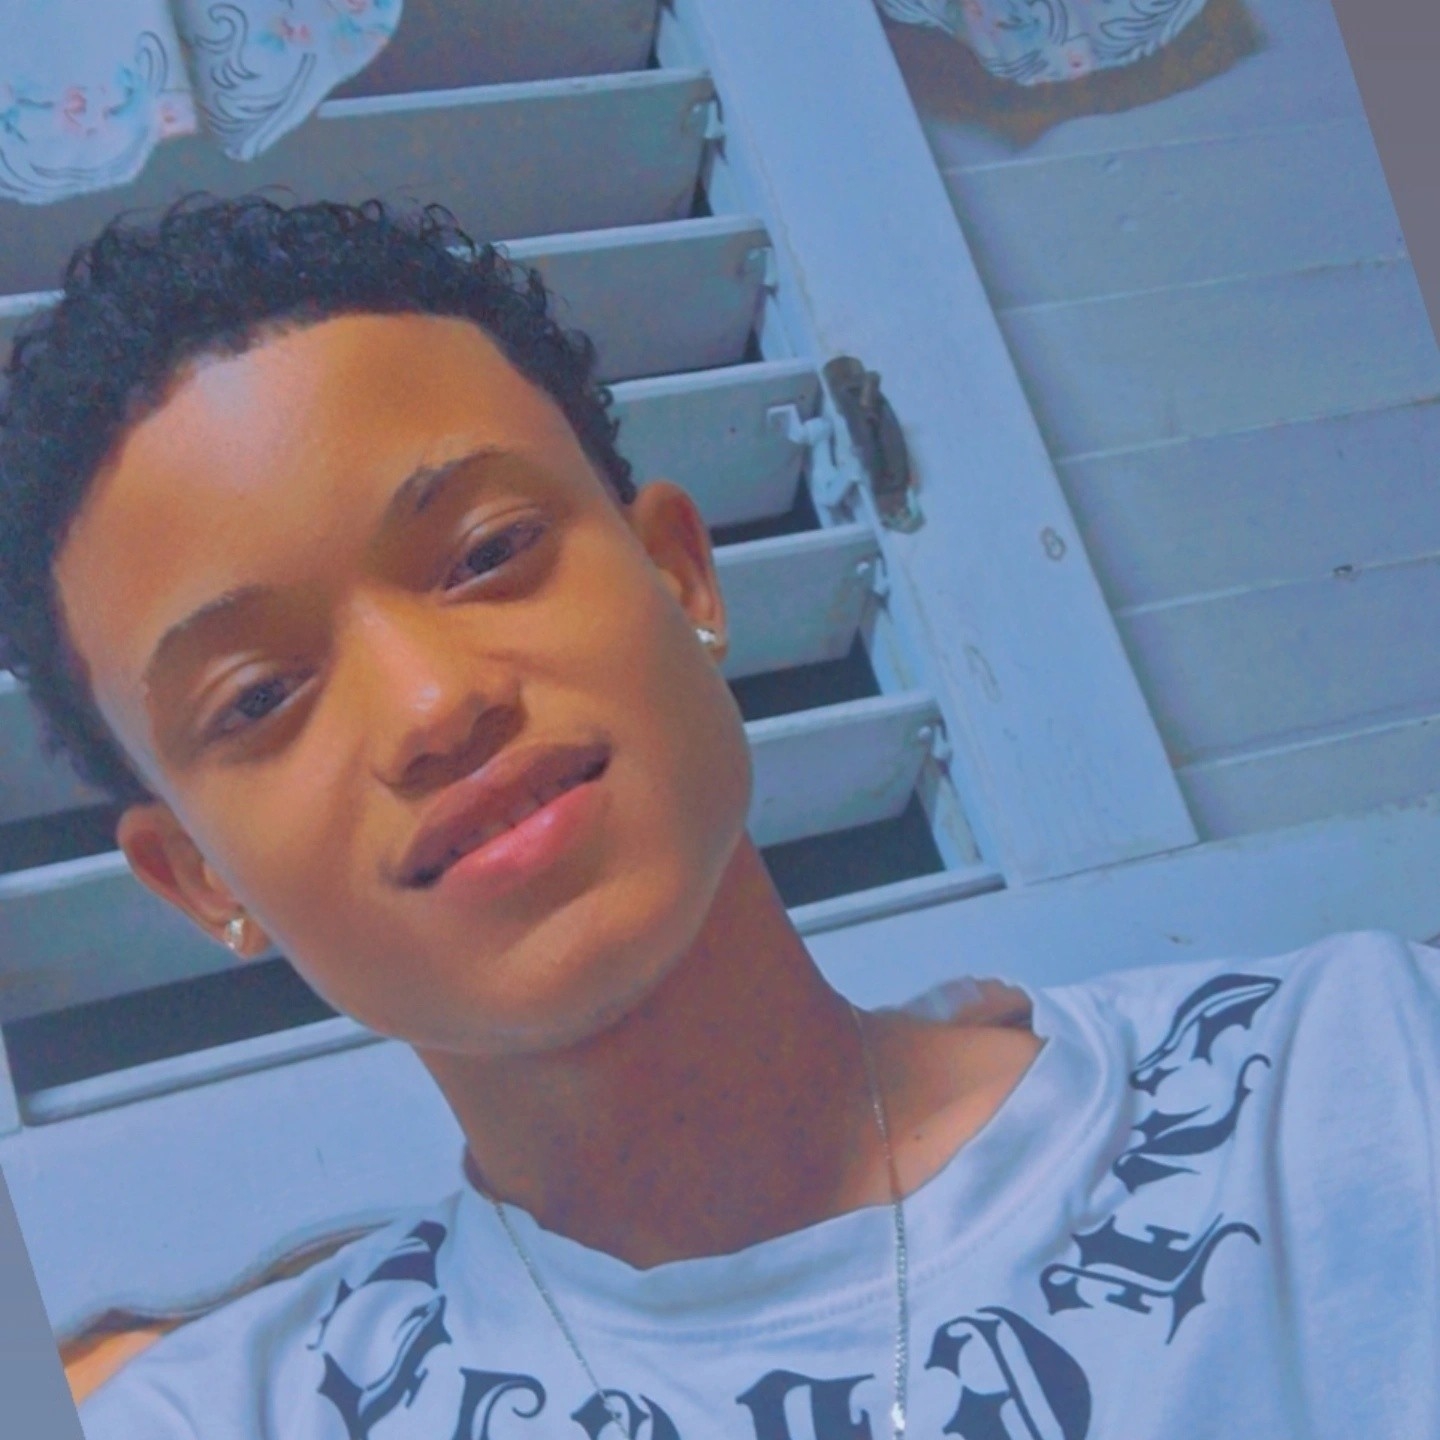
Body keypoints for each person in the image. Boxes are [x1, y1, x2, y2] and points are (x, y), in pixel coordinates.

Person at [0, 195, 1435, 1440]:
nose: (433, 705)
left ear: (680, 576)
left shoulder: (1360, 1080)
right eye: (258, 697)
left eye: (489, 552)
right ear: (197, 880)